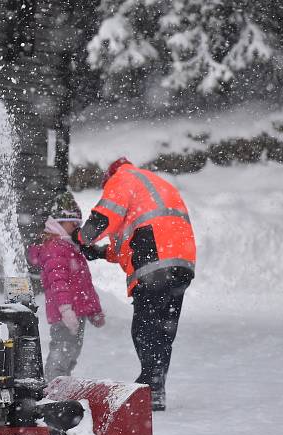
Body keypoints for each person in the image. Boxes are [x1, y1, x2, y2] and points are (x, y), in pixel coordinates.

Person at [72, 157, 195, 411]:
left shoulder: (123, 178)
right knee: (164, 328)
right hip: (180, 260)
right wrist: (100, 252)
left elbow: (106, 215)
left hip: (154, 259)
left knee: (145, 327)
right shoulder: (152, 184)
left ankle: (148, 385)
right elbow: (130, 241)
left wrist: (83, 237)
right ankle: (155, 388)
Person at [27, 192, 105, 382]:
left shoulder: (70, 248)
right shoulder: (55, 248)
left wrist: (94, 310)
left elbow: (84, 284)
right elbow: (58, 282)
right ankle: (52, 384)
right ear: (59, 223)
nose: (77, 228)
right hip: (66, 313)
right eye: (73, 224)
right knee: (62, 350)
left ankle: (62, 383)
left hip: (77, 310)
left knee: (71, 352)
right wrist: (66, 309)